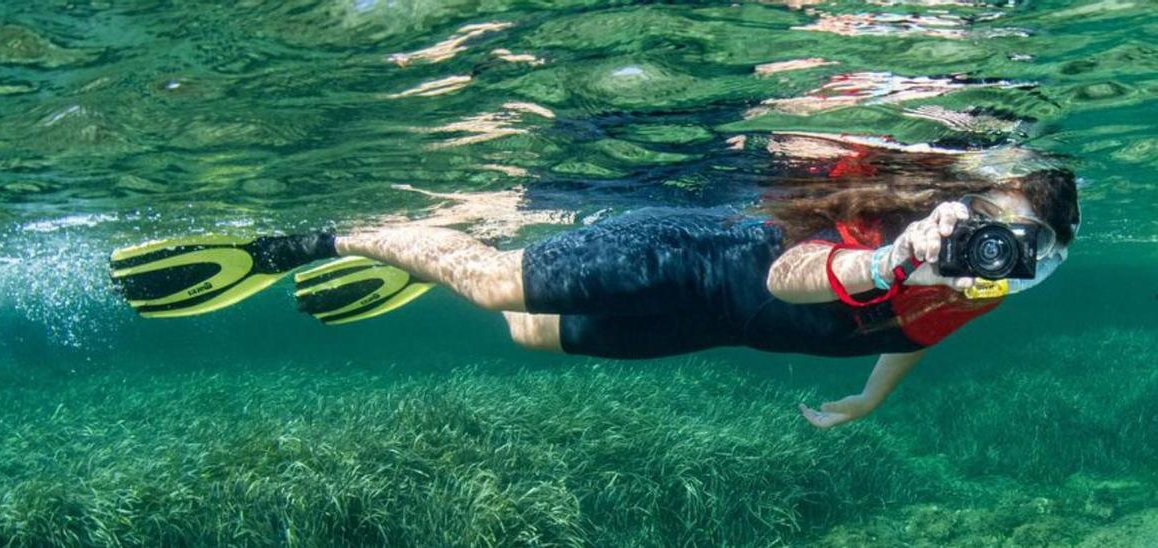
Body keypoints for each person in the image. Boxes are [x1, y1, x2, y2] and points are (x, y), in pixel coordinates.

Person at [109, 149, 1079, 429]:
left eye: (1031, 255)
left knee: (526, 335)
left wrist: (865, 400)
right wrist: (887, 259)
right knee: (494, 288)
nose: (1004, 262)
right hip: (698, 252)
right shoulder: (909, 237)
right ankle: (320, 239)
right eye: (1000, 238)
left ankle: (424, 254)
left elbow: (911, 336)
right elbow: (787, 280)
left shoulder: (971, 287)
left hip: (704, 324)